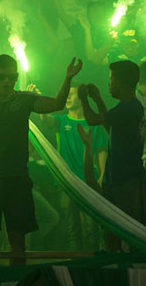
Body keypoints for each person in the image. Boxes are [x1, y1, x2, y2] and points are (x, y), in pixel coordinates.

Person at [0, 56, 82, 266]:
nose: (6, 81)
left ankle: (16, 281)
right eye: (2, 76)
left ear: (16, 77)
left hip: (17, 179)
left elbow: (57, 104)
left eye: (12, 77)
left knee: (18, 241)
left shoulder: (24, 100)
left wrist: (67, 78)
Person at [79, 60, 146, 251]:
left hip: (125, 182)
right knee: (123, 233)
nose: (109, 83)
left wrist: (84, 99)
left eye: (112, 79)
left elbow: (92, 119)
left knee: (122, 234)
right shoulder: (130, 107)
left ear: (123, 82)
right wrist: (98, 99)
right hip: (124, 180)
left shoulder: (128, 107)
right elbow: (110, 127)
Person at [38, 84, 107, 252]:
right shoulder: (62, 121)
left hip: (89, 183)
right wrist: (38, 100)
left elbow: (102, 151)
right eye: (66, 94)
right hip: (67, 183)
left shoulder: (94, 123)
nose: (67, 97)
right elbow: (46, 119)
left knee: (92, 228)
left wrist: (102, 176)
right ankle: (73, 265)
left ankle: (92, 265)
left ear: (82, 97)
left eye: (72, 94)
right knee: (72, 228)